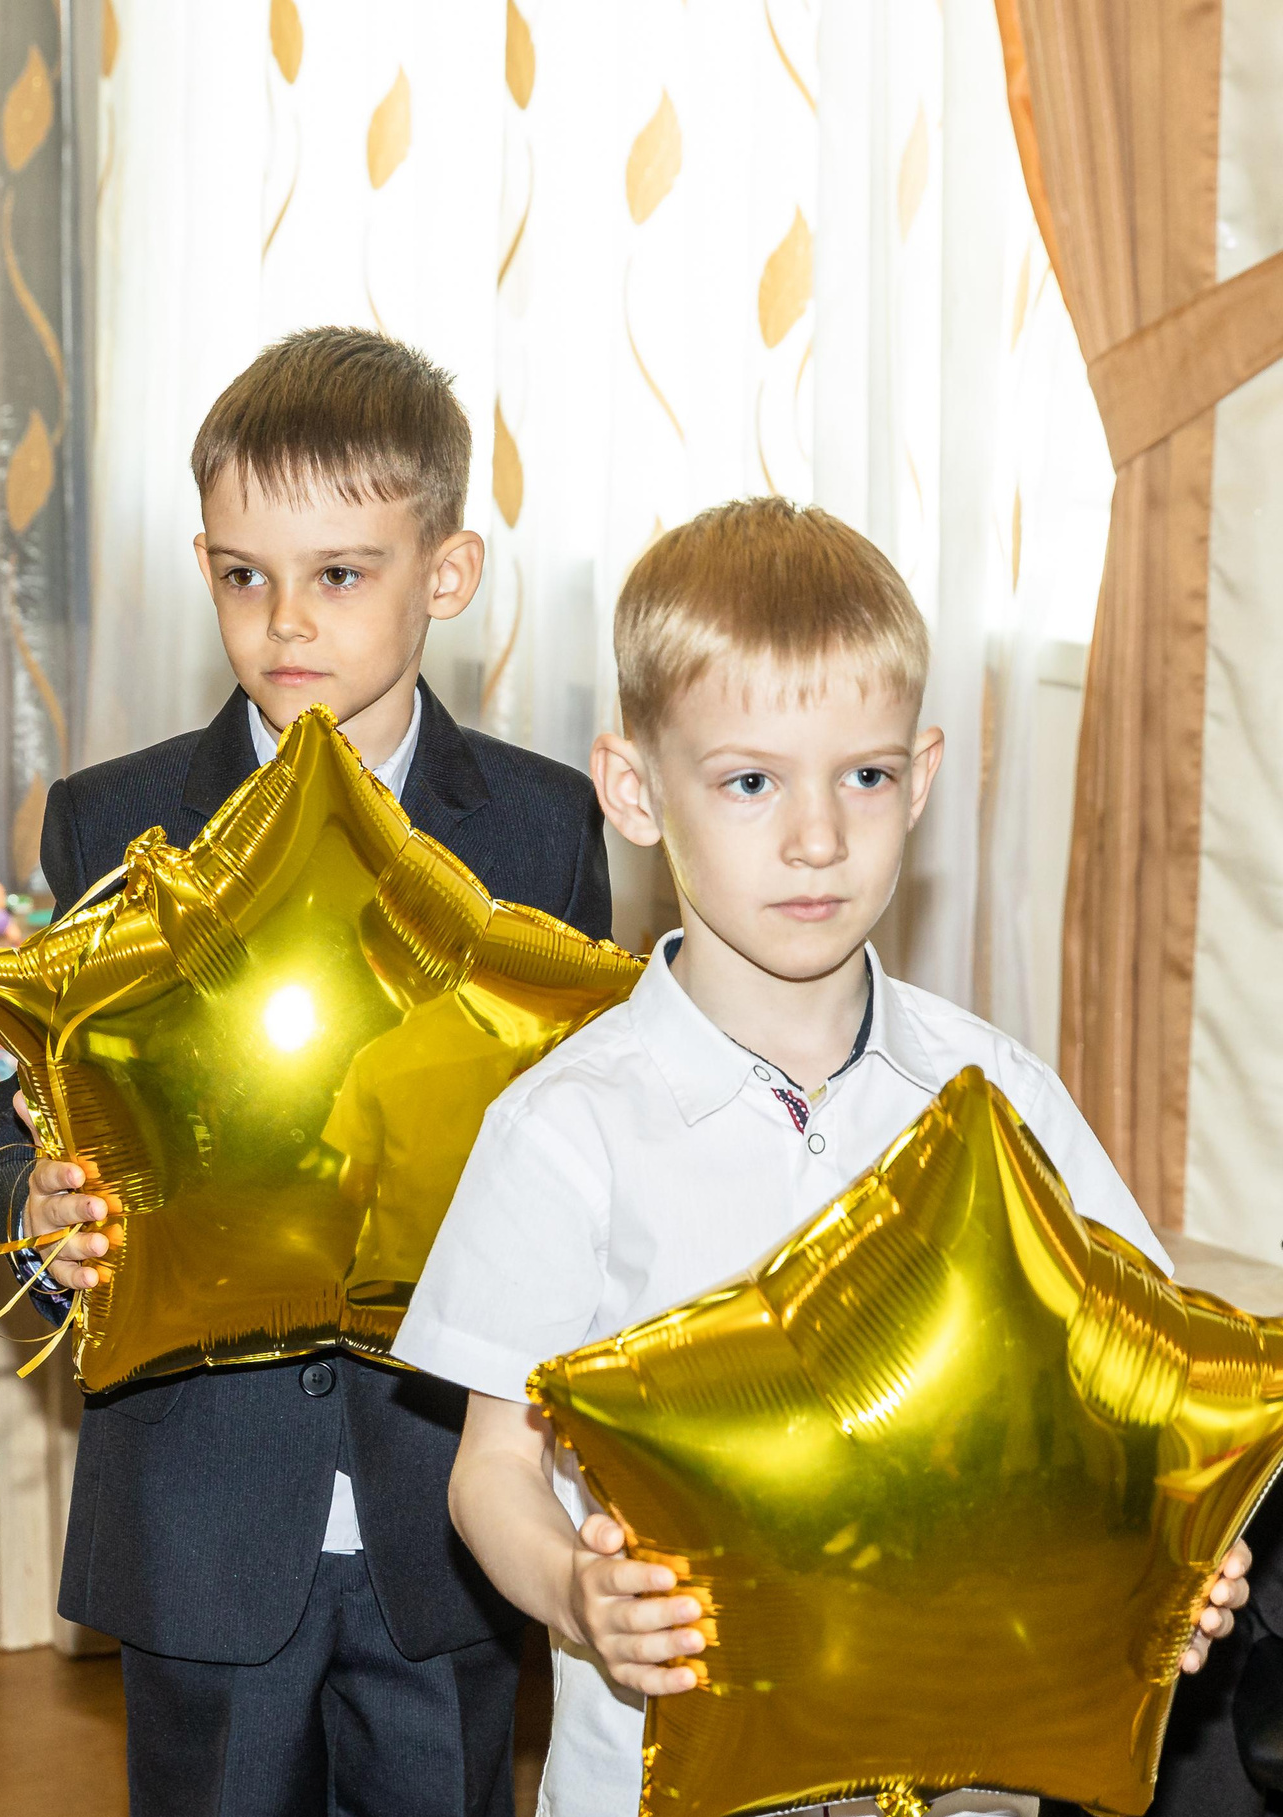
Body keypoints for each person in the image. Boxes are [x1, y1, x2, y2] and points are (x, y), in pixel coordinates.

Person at [402, 497, 1254, 1815]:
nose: (817, 837)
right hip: (663, 1775)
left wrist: (1175, 1561)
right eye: (751, 780)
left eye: (861, 776)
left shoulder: (998, 1093)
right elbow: (492, 1470)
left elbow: (1138, 1410)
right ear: (634, 788)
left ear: (920, 775)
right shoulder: (567, 1127)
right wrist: (579, 1587)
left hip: (966, 1761)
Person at [0, 326, 611, 1817]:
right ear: (202, 562)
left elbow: (582, 1139)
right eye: (243, 575)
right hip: (200, 1502)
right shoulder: (112, 821)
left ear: (443, 575)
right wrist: (42, 1210)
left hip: (441, 1500)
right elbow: (34, 1125)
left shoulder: (539, 828)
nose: (284, 623)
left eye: (339, 573)